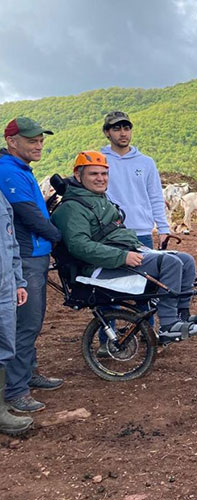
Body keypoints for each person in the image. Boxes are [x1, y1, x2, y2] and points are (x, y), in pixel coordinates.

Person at [50, 151, 197, 344]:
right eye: (94, 174)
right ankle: (168, 325)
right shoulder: (72, 208)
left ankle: (181, 315)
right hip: (98, 268)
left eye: (104, 174)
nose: (101, 179)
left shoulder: (97, 199)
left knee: (186, 260)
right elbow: (79, 246)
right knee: (169, 263)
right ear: (78, 176)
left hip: (121, 254)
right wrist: (122, 256)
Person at [0, 117, 64, 414]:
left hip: (34, 254)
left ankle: (28, 373)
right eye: (31, 140)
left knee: (32, 321)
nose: (38, 145)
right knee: (24, 324)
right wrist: (59, 238)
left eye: (40, 140)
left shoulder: (21, 169)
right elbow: (28, 215)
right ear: (12, 141)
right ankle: (16, 390)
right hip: (25, 258)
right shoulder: (8, 171)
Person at [102, 111, 171, 249]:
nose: (123, 133)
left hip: (142, 233)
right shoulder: (100, 161)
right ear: (106, 132)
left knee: (145, 270)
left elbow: (155, 196)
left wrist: (163, 229)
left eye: (126, 129)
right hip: (109, 233)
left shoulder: (146, 162)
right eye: (116, 129)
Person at [0, 192, 33, 435]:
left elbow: (11, 244)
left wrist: (19, 281)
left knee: (4, 348)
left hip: (5, 286)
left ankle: (0, 412)